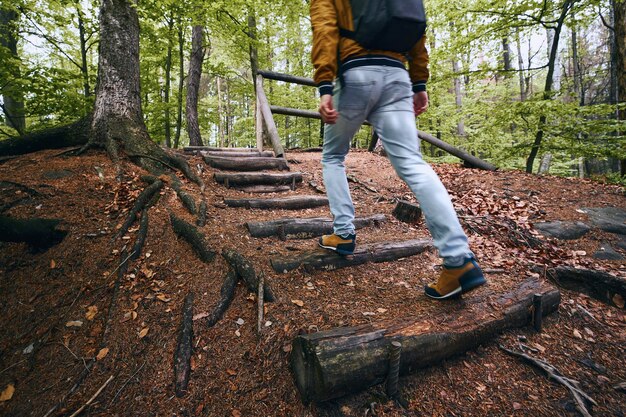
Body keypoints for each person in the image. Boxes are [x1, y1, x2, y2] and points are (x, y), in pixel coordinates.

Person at [310, 0, 486, 300]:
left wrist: (325, 84)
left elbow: (325, 29)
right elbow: (416, 27)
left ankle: (343, 233)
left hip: (355, 75)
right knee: (414, 165)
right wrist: (419, 81)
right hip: (396, 77)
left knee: (333, 157)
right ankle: (458, 260)